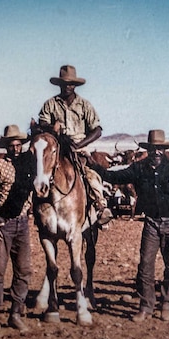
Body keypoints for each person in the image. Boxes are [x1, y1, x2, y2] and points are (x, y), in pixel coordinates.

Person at [97, 130, 169, 322]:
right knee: (145, 266)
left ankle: (167, 304)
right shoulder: (139, 168)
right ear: (148, 150)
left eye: (160, 148)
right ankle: (146, 306)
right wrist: (95, 167)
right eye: (153, 149)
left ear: (164, 150)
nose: (157, 152)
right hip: (151, 223)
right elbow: (115, 177)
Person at [38, 64, 112, 225]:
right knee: (41, 172)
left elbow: (97, 130)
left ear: (75, 85)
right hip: (57, 149)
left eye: (71, 84)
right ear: (59, 85)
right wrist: (55, 131)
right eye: (64, 84)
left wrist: (79, 145)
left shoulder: (84, 105)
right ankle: (34, 208)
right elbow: (42, 124)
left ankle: (100, 205)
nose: (67, 87)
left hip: (79, 149)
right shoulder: (50, 104)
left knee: (89, 175)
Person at [0, 125, 35, 335]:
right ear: (6, 147)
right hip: (3, 225)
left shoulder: (28, 166)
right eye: (11, 145)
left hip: (22, 224)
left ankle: (15, 314)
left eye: (19, 144)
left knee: (23, 271)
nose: (16, 148)